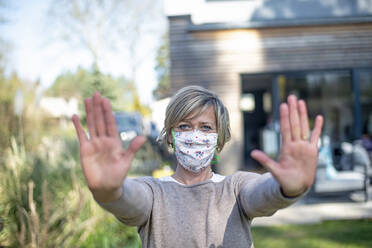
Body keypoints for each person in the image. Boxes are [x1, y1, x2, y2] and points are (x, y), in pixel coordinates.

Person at [72, 85, 323, 247]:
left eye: (205, 127)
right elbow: (129, 199)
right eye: (184, 126)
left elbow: (262, 194)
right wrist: (109, 191)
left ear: (219, 138)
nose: (194, 135)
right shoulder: (154, 193)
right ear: (170, 136)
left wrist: (287, 188)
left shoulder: (234, 188)